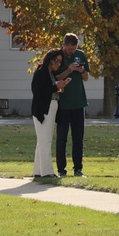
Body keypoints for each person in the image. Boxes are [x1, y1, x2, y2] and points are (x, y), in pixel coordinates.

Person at [31, 48, 70, 178]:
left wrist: (59, 87)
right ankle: (47, 172)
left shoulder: (50, 74)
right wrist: (56, 87)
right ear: (50, 60)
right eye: (57, 61)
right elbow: (38, 92)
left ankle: (38, 171)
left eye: (60, 61)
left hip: (50, 106)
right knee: (45, 141)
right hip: (43, 110)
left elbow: (48, 90)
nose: (58, 64)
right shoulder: (41, 73)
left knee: (42, 141)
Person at [54, 33, 89, 177]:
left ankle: (78, 169)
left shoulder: (80, 55)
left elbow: (86, 77)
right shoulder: (57, 57)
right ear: (64, 45)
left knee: (78, 138)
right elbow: (55, 78)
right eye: (69, 49)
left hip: (78, 102)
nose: (72, 52)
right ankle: (61, 169)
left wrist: (81, 70)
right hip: (63, 104)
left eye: (74, 49)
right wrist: (69, 70)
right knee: (61, 138)